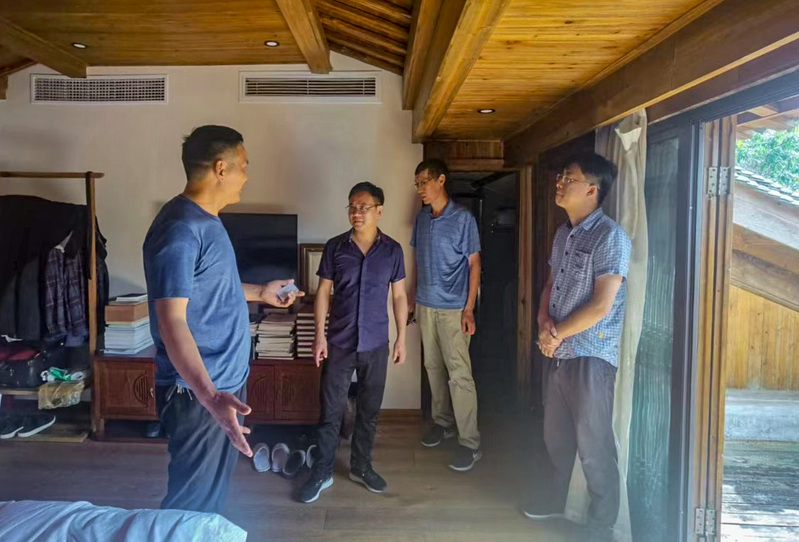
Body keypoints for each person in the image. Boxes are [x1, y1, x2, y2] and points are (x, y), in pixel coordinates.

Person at [143, 125, 302, 514]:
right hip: (198, 393)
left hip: (221, 386)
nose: (246, 176)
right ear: (221, 168)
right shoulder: (180, 230)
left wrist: (260, 292)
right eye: (243, 166)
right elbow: (172, 322)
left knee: (210, 499)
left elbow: (209, 288)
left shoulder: (205, 220)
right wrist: (211, 397)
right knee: (190, 505)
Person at [524, 153, 631, 541]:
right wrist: (543, 323)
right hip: (558, 351)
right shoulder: (563, 234)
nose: (559, 183)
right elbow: (550, 286)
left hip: (590, 353)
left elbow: (602, 305)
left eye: (568, 178)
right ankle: (561, 502)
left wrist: (555, 334)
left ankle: (602, 527)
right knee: (556, 437)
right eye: (561, 177)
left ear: (591, 189)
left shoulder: (610, 236)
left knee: (594, 445)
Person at [299, 182, 408, 503]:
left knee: (369, 411)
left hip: (376, 343)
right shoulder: (335, 247)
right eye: (352, 207)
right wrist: (319, 335)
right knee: (330, 411)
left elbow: (399, 296)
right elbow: (323, 292)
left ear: (379, 211)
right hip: (339, 342)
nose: (356, 213)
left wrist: (401, 338)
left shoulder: (393, 250)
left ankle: (361, 466)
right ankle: (322, 471)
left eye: (363, 207)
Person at [410, 159, 482, 472]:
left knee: (459, 373)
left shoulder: (463, 219)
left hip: (454, 308)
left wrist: (469, 309)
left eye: (424, 182)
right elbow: (417, 259)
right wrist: (412, 297)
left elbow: (474, 265)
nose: (420, 189)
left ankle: (470, 442)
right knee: (432, 366)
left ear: (441, 180)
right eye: (417, 184)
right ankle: (443, 422)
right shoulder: (421, 218)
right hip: (425, 304)